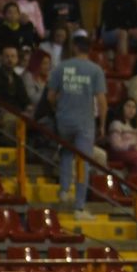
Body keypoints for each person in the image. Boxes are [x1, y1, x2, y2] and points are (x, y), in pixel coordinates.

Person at [48, 33, 108, 211]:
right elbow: (102, 101)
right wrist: (102, 124)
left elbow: (50, 96)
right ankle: (79, 205)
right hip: (85, 122)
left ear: (74, 47)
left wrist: (58, 109)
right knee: (83, 162)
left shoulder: (61, 67)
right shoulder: (96, 70)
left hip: (64, 119)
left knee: (66, 153)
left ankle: (64, 190)